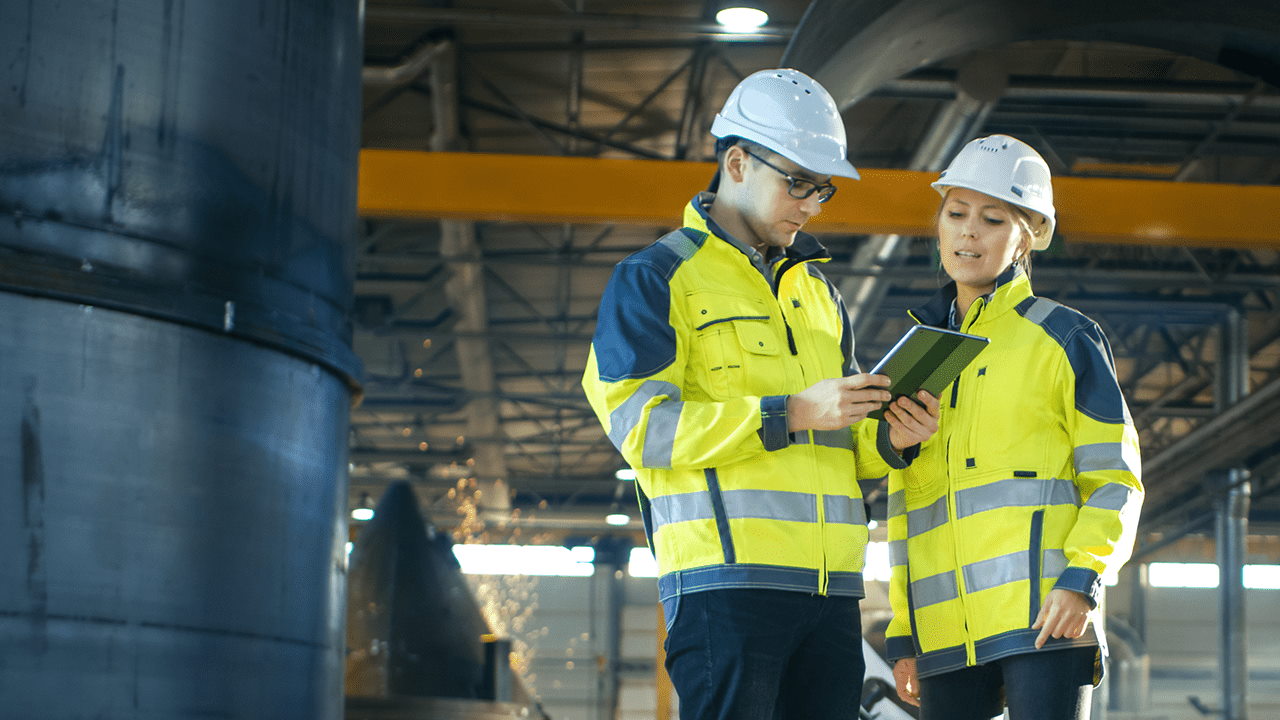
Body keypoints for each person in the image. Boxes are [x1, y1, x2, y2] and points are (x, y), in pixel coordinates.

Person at [581, 68, 940, 720]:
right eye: (796, 183)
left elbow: (844, 442)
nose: (810, 205)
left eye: (821, 190)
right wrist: (792, 412)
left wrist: (891, 437)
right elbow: (644, 430)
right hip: (727, 585)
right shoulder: (656, 279)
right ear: (737, 163)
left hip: (831, 594)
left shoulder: (819, 295)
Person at [885, 134, 1145, 720]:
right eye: (955, 214)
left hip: (1045, 615)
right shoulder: (921, 355)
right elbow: (906, 505)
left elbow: (1115, 478)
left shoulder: (1065, 337)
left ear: (1026, 237)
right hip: (944, 629)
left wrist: (1082, 579)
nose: (968, 232)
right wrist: (904, 634)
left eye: (992, 218)